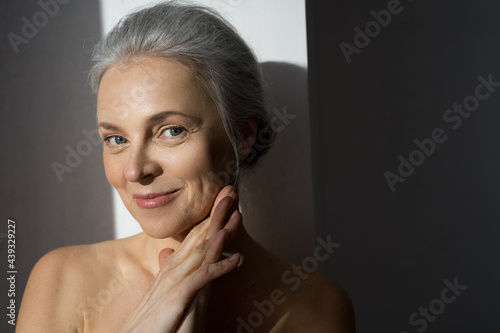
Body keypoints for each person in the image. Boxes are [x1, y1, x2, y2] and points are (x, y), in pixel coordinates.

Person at [16, 2, 355, 332]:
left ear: (243, 134)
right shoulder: (62, 280)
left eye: (171, 131)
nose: (135, 171)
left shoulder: (316, 306)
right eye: (116, 139)